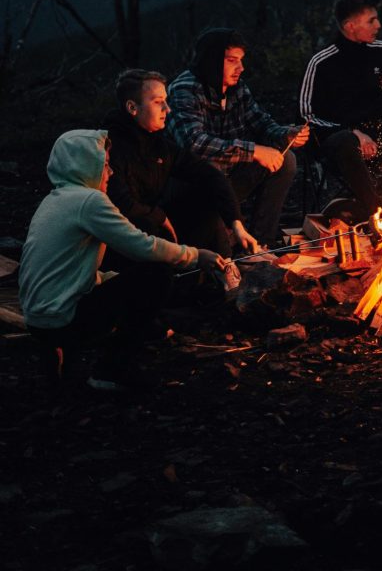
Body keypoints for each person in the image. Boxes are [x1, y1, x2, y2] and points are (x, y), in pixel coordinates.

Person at [18, 129, 226, 392]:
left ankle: (59, 349)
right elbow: (141, 245)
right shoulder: (89, 200)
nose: (111, 172)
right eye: (104, 164)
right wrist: (195, 255)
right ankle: (112, 369)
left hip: (38, 320)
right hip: (63, 319)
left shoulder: (53, 200)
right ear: (84, 165)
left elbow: (68, 268)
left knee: (125, 279)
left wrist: (113, 282)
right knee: (156, 275)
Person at [167, 28, 308, 246]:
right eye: (232, 60)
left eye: (241, 60)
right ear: (211, 60)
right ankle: (220, 240)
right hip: (195, 187)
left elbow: (260, 122)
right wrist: (255, 151)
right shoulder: (184, 90)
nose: (240, 68)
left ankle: (260, 244)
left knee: (285, 160)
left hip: (230, 179)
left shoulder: (236, 88)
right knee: (212, 170)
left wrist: (286, 133)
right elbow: (194, 144)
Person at [104, 68, 259, 260]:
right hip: (124, 241)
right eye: (158, 102)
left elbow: (209, 174)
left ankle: (225, 266)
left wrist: (236, 223)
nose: (167, 110)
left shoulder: (159, 145)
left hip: (159, 225)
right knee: (149, 225)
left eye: (166, 101)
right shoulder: (109, 147)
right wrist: (159, 217)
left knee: (206, 194)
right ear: (132, 108)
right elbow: (119, 204)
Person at [298, 0, 382, 220]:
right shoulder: (323, 62)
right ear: (350, 26)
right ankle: (378, 214)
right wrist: (352, 132)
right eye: (371, 20)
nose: (378, 25)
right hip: (341, 143)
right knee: (347, 142)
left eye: (377, 19)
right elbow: (307, 115)